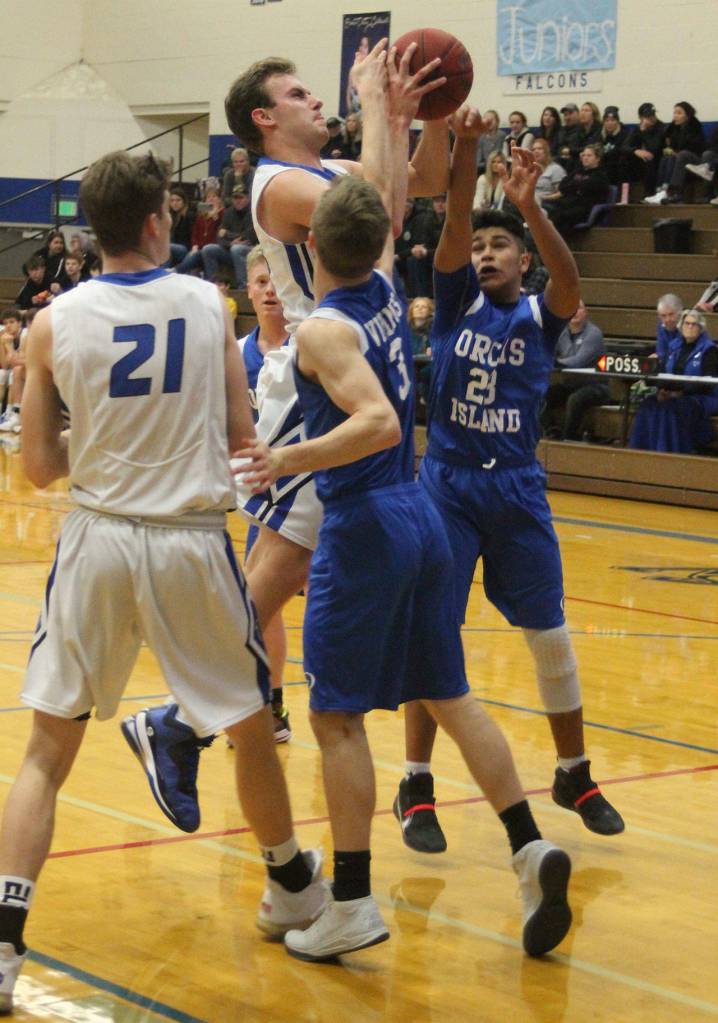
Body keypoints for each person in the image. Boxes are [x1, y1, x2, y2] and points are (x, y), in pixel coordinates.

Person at [239, 108, 572, 964]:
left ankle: (350, 901)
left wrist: (287, 457)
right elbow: (390, 203)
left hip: (366, 520)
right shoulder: (388, 288)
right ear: (381, 239)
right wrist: (393, 117)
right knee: (450, 693)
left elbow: (378, 422)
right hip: (422, 509)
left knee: (335, 716)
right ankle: (530, 846)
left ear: (309, 243)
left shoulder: (324, 328)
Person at [0, 150, 327, 1017]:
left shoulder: (50, 323)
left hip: (98, 538)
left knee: (46, 752)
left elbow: (38, 467)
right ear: (156, 221)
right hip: (187, 539)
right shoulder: (206, 302)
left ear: (92, 229)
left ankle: (2, 942)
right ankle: (291, 886)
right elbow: (240, 433)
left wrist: (102, 439)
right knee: (251, 725)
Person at [120, 44, 452, 834]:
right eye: (299, 93)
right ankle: (176, 717)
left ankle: (177, 719)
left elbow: (413, 191)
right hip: (314, 384)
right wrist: (376, 105)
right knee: (279, 566)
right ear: (265, 118)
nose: (316, 99)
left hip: (344, 369)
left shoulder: (329, 169)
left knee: (278, 566)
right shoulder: (279, 184)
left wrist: (420, 117)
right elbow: (381, 216)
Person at [394, 131, 624, 854]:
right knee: (435, 630)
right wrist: (465, 155)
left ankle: (573, 771)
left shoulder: (540, 316)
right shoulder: (454, 301)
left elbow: (570, 281)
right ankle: (415, 782)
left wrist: (531, 207)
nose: (486, 253)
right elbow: (456, 222)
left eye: (502, 246)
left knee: (549, 633)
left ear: (523, 261)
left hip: (517, 486)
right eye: (481, 246)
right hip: (448, 485)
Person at [629, 308, 718, 453]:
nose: (690, 327)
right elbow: (663, 372)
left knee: (671, 408)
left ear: (701, 328)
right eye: (687, 323)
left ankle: (669, 451)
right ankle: (639, 450)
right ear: (681, 326)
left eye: (694, 324)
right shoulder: (673, 346)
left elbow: (707, 383)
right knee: (648, 404)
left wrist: (679, 393)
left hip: (702, 397)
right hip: (674, 394)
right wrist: (662, 390)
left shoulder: (709, 350)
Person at [540, 301, 607, 440]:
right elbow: (547, 352)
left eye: (579, 308)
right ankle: (551, 431)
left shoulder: (593, 334)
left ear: (585, 312)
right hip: (571, 385)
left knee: (575, 399)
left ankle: (569, 439)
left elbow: (578, 361)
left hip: (596, 386)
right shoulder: (561, 332)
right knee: (542, 394)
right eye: (571, 308)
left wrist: (555, 363)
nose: (575, 312)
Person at [644, 101, 705, 204]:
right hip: (679, 159)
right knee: (666, 159)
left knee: (682, 154)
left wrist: (676, 152)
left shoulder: (695, 127)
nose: (675, 116)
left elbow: (693, 148)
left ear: (688, 115)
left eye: (679, 113)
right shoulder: (673, 127)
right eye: (674, 113)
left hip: (695, 161)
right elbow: (663, 143)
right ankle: (661, 190)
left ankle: (674, 191)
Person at [545, 144, 610, 237]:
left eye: (589, 155)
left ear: (598, 159)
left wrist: (574, 186)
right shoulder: (578, 171)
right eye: (584, 155)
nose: (585, 158)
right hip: (569, 203)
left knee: (559, 216)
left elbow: (586, 187)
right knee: (547, 208)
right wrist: (576, 187)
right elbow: (562, 186)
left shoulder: (600, 175)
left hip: (584, 208)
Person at [201, 182, 257, 288]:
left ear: (248, 198)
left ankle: (243, 287)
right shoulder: (229, 212)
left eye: (241, 197)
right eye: (235, 198)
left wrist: (227, 234)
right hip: (231, 247)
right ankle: (213, 285)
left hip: (250, 250)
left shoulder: (253, 212)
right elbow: (219, 237)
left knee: (237, 249)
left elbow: (250, 236)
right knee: (208, 249)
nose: (238, 200)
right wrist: (230, 243)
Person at [621, 102, 665, 197]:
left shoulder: (661, 128)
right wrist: (636, 151)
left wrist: (644, 132)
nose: (652, 118)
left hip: (657, 159)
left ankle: (649, 194)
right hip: (641, 161)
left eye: (653, 115)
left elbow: (654, 148)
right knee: (624, 158)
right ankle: (626, 195)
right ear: (641, 118)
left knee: (649, 159)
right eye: (648, 116)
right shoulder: (637, 129)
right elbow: (625, 146)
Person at [530, 137, 565, 205]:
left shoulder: (556, 169)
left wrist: (544, 198)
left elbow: (561, 193)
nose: (536, 151)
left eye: (540, 149)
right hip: (530, 200)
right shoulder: (530, 169)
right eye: (533, 149)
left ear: (546, 151)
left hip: (547, 203)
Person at [601, 106, 629, 184]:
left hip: (620, 170)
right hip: (604, 169)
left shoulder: (625, 134)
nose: (609, 123)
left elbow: (621, 151)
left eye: (613, 120)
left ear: (617, 121)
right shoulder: (600, 134)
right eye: (607, 120)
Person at [168, 187, 195, 266]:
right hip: (174, 247)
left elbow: (193, 235)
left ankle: (162, 272)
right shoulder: (172, 216)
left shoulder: (190, 215)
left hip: (186, 249)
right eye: (172, 200)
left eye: (178, 200)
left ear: (184, 201)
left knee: (166, 247)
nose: (175, 203)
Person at [655, 293, 683, 366]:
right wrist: (657, 358)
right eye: (663, 316)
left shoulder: (689, 325)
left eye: (671, 314)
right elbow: (661, 353)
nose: (667, 319)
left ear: (680, 312)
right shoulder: (661, 325)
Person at [475, 109, 506, 174]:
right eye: (486, 120)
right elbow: (478, 159)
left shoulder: (502, 135)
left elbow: (502, 155)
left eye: (491, 120)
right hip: (483, 168)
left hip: (499, 167)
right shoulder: (480, 137)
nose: (489, 122)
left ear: (497, 122)